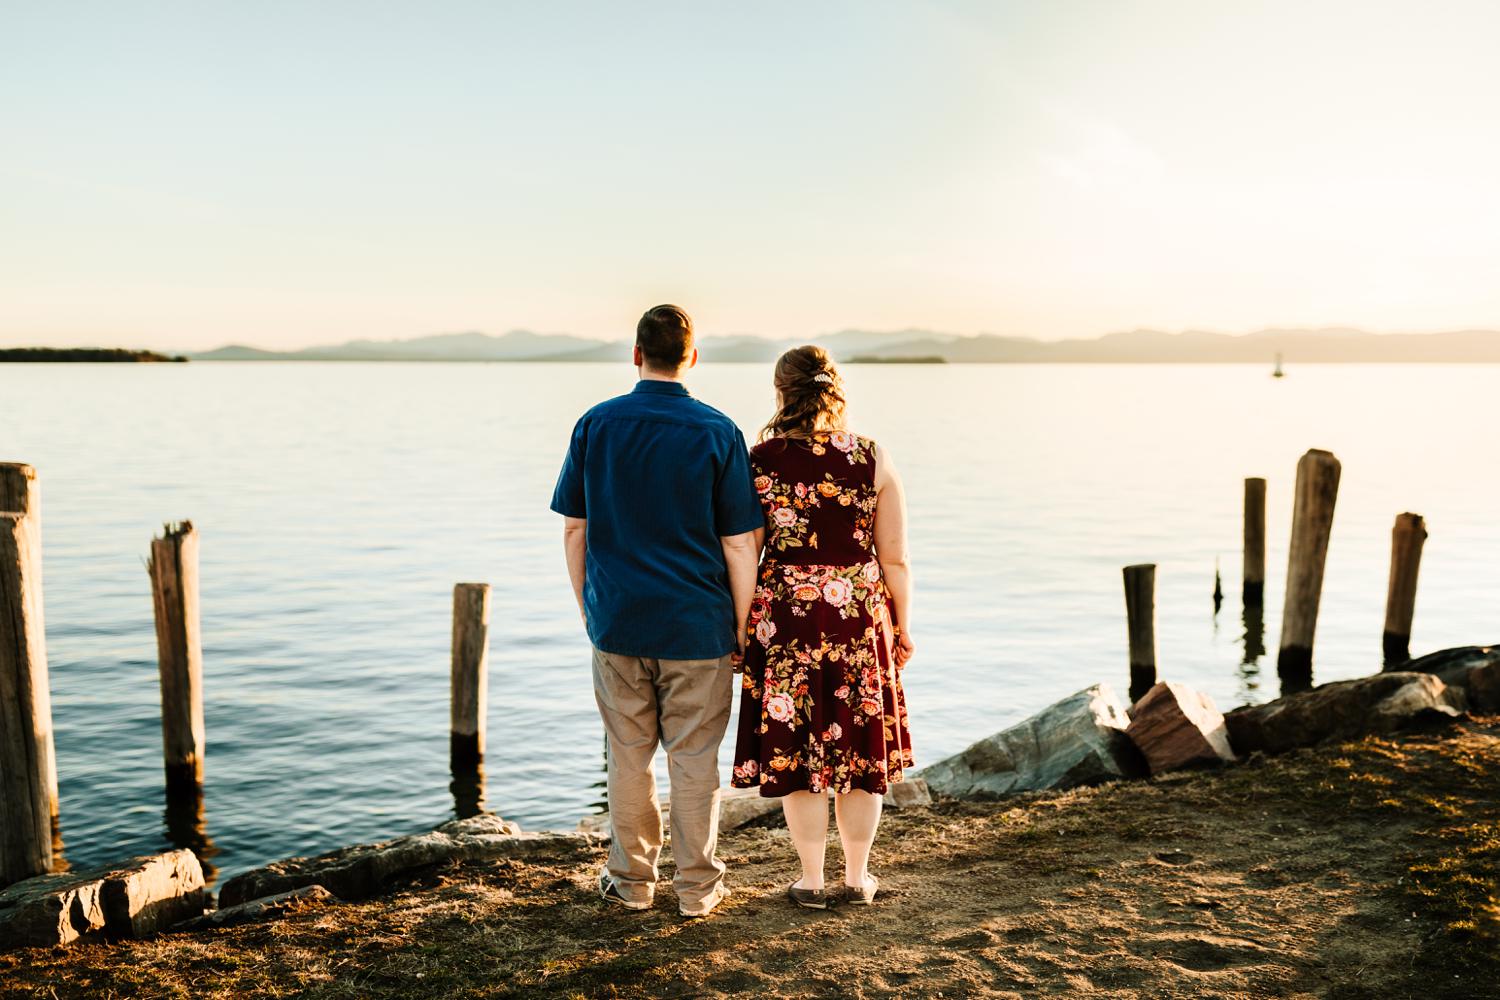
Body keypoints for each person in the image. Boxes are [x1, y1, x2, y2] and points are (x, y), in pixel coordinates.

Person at [550, 304, 763, 918]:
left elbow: (575, 530)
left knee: (628, 752)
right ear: (692, 357)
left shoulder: (596, 425)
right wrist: (742, 626)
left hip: (618, 620)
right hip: (698, 625)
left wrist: (592, 611)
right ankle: (697, 889)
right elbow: (737, 544)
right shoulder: (718, 431)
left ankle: (632, 882)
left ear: (636, 354)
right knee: (695, 759)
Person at [730, 345, 915, 910]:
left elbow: (741, 549)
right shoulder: (872, 456)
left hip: (785, 618)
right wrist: (902, 625)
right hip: (859, 616)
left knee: (797, 750)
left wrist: (742, 628)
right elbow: (896, 558)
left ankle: (811, 881)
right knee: (859, 748)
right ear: (834, 389)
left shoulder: (759, 459)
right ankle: (857, 879)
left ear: (781, 391)